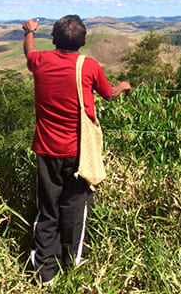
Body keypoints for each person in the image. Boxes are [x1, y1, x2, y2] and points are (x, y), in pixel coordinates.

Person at [22, 15, 131, 284]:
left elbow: (29, 52)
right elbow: (108, 93)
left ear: (53, 40)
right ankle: (74, 267)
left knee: (47, 210)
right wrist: (123, 86)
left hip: (47, 151)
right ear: (83, 41)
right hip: (79, 152)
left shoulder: (41, 62)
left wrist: (28, 31)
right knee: (75, 209)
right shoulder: (89, 66)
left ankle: (44, 273)